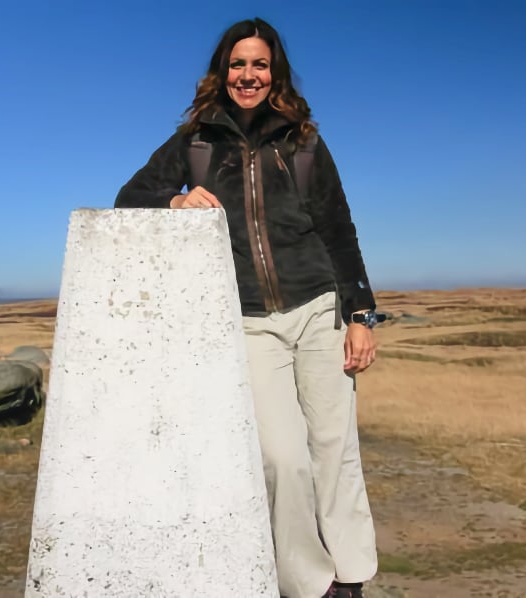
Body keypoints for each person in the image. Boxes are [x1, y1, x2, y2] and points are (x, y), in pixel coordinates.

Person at [115, 18, 379, 598]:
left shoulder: (304, 140)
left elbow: (339, 229)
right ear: (223, 72)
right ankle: (311, 583)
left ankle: (354, 572)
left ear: (274, 72)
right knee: (282, 457)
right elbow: (129, 196)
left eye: (259, 65)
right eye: (238, 64)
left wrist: (361, 316)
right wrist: (177, 199)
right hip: (251, 320)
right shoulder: (197, 141)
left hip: (318, 308)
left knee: (335, 446)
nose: (248, 75)